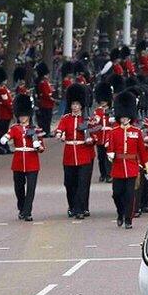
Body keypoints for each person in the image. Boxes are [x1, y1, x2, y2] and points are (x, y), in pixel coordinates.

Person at [106, 91, 148, 229]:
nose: (124, 119)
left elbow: (142, 152)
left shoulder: (136, 132)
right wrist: (110, 154)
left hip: (132, 167)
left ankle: (128, 219)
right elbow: (110, 147)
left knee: (130, 195)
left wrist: (147, 168)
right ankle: (120, 213)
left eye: (126, 117)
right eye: (122, 117)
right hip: (118, 167)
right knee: (116, 194)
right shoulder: (114, 131)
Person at [0, 94, 45, 221]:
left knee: (31, 188)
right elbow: (7, 136)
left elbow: (42, 147)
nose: (23, 118)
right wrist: (4, 139)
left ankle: (27, 212)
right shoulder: (15, 128)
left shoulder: (35, 129)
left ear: (29, 115)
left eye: (25, 115)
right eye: (21, 115)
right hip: (18, 161)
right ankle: (21, 207)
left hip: (32, 162)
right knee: (19, 188)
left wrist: (39, 147)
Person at [54, 83, 96, 218]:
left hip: (84, 154)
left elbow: (95, 135)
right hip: (70, 155)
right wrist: (60, 135)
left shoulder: (88, 120)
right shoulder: (66, 118)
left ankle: (80, 209)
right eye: (73, 104)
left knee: (82, 183)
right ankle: (73, 206)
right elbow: (60, 130)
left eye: (77, 104)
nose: (75, 107)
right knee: (69, 183)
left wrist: (91, 139)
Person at [92, 81, 114, 182]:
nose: (103, 103)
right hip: (100, 137)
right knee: (101, 157)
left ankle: (109, 175)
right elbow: (95, 122)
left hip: (109, 137)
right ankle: (103, 174)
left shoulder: (113, 111)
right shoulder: (97, 111)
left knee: (108, 157)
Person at [0, 67, 13, 155]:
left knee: (3, 130)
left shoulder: (3, 88)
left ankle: (2, 146)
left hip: (5, 112)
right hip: (4, 113)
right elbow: (6, 102)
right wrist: (13, 109)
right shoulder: (1, 90)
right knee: (3, 131)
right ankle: (2, 147)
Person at [34, 62, 55, 134]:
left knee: (47, 118)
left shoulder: (44, 82)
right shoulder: (43, 83)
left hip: (47, 103)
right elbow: (46, 94)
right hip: (46, 103)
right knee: (46, 118)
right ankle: (46, 132)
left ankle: (47, 131)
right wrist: (52, 99)